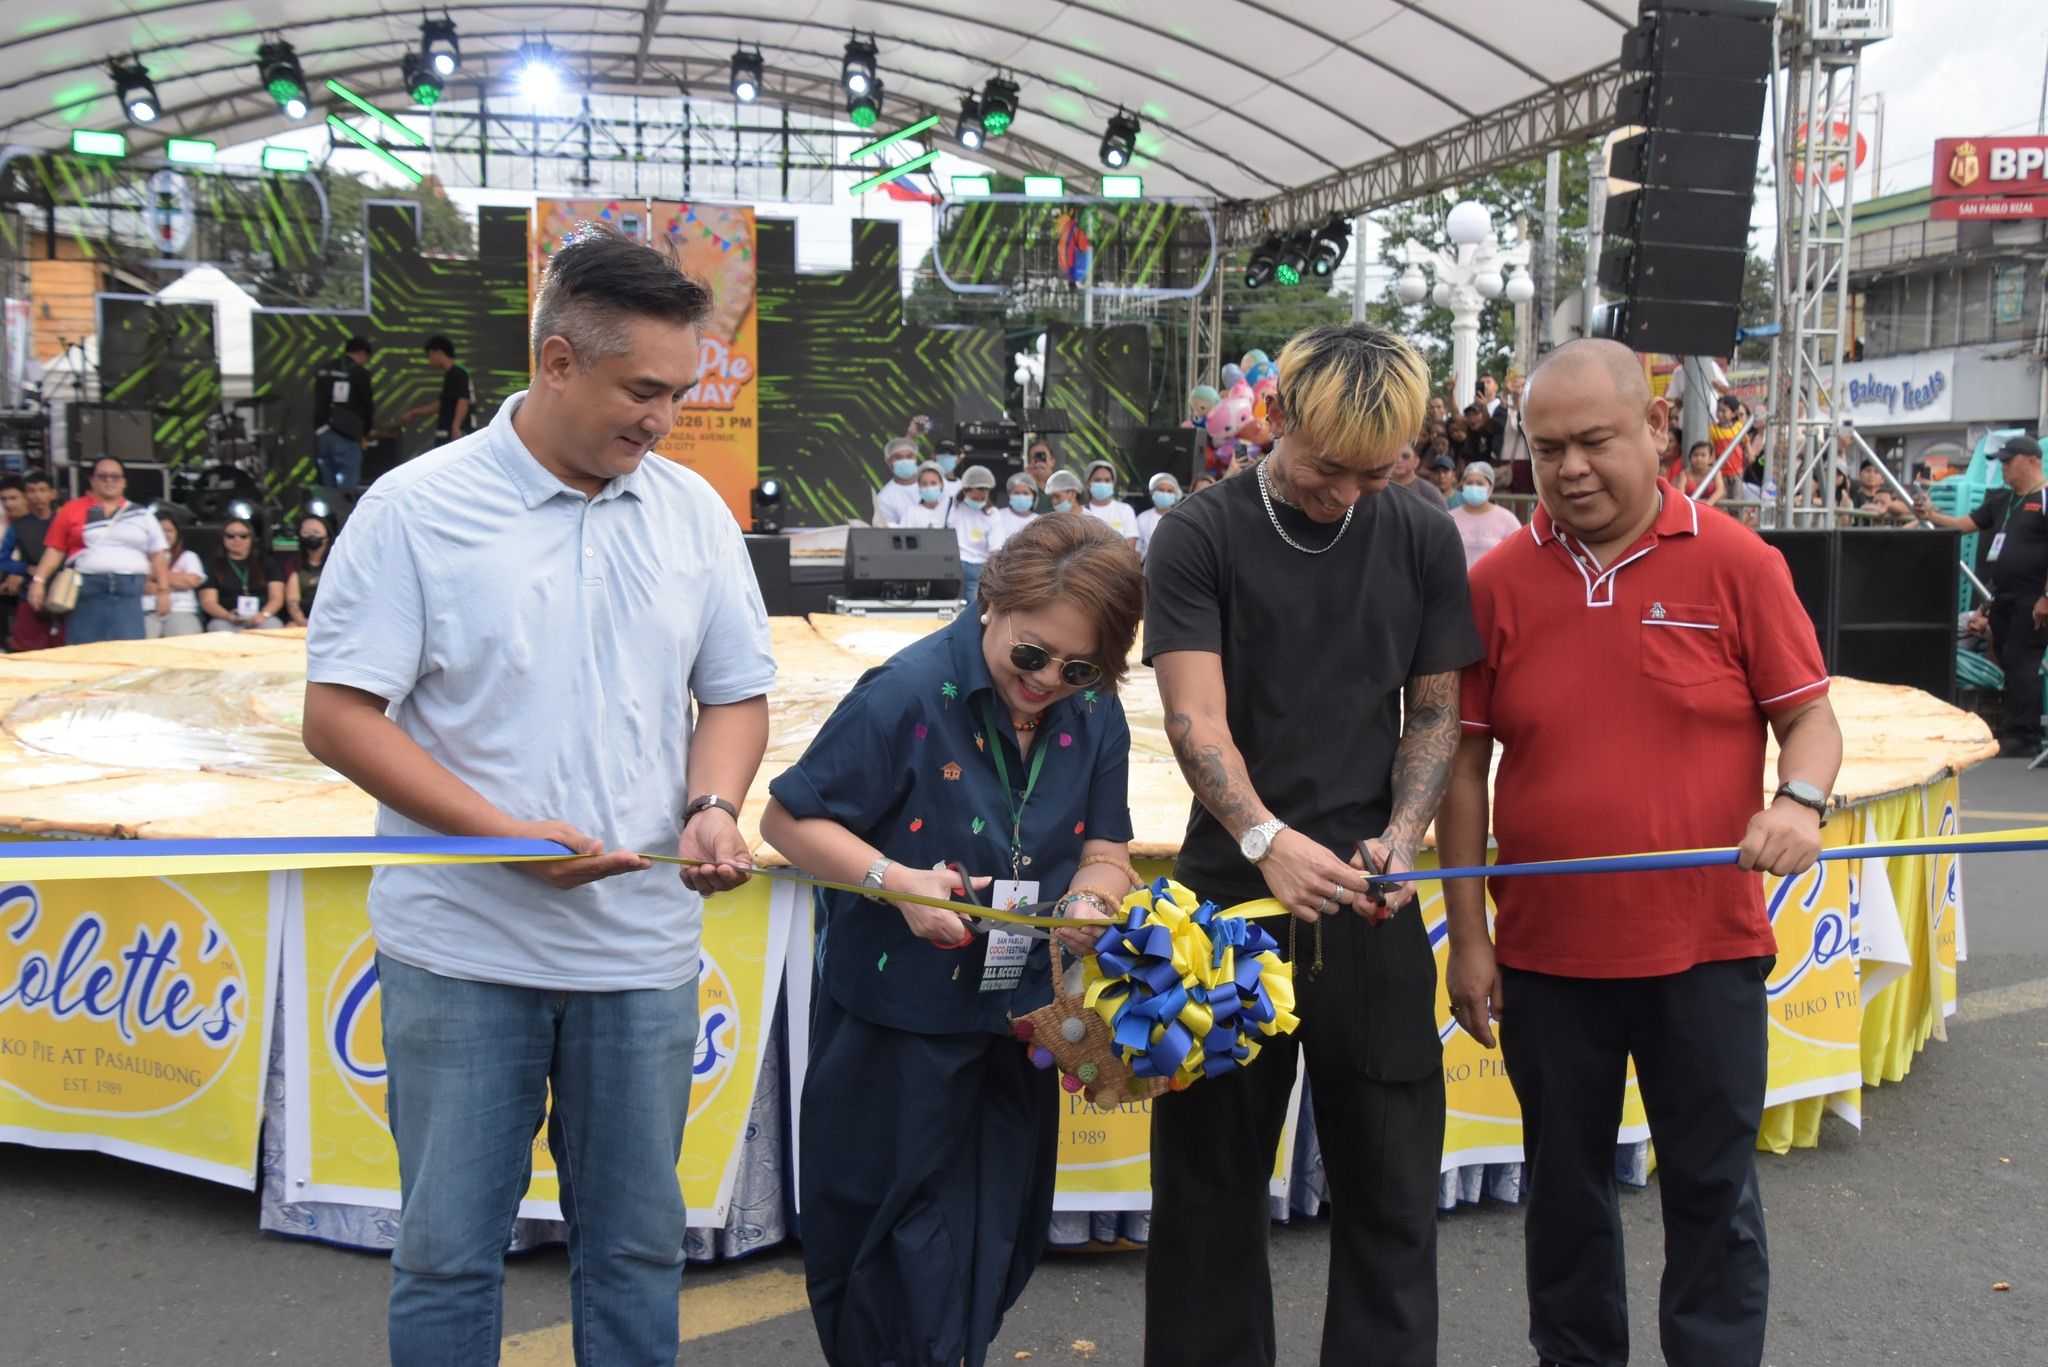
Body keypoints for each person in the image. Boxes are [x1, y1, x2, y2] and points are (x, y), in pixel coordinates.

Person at [301, 224, 776, 1367]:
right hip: (461, 952)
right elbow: (338, 716)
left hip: (638, 959)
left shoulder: (692, 514)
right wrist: (499, 837)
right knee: (449, 1253)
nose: (660, 419)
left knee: (634, 1250)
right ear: (557, 361)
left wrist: (712, 802)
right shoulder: (415, 509)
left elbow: (734, 695)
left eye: (678, 392)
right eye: (641, 389)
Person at [1441, 338, 1841, 1367]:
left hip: (1703, 948)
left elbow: (1808, 721)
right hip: (1545, 958)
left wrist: (1797, 801)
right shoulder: (1494, 584)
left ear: (1653, 431)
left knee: (1711, 1189)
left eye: (1592, 441)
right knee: (1563, 1193)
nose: (1568, 468)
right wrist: (1468, 939)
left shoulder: (1737, 562)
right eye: (1543, 447)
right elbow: (1459, 771)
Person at [1142, 322, 1478, 1367]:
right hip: (1227, 907)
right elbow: (1194, 719)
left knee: (1388, 1182)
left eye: (1374, 475)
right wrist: (1262, 837)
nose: (1346, 495)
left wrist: (1400, 835)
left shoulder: (1417, 528)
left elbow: (1434, 713)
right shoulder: (1198, 531)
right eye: (1329, 469)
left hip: (1370, 901)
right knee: (1205, 1191)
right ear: (1273, 419)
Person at [762, 514, 1143, 1367]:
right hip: (895, 1030)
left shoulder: (1096, 709)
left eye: (1078, 668)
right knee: (891, 1264)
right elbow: (787, 818)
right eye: (1032, 655)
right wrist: (896, 884)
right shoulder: (902, 692)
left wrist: (1091, 895)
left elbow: (1108, 849)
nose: (1048, 681)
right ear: (991, 602)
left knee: (994, 1250)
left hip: (1016, 1027)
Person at [1917, 434, 2048, 756]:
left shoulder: (2044, 498)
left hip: (2033, 596)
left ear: (2032, 460)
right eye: (2001, 461)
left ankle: (2025, 736)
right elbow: (1962, 524)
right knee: (2005, 655)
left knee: (2022, 660)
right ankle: (2017, 726)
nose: (2003, 467)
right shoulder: (2003, 500)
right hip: (2004, 596)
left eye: (2008, 460)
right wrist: (1930, 514)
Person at [27, 456, 168, 645]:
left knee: (128, 651)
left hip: (129, 590)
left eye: (115, 476)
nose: (109, 480)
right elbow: (55, 549)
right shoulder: (75, 509)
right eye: (103, 476)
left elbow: (158, 553)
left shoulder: (141, 514)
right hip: (87, 588)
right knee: (84, 650)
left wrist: (163, 591)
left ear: (124, 481)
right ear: (92, 480)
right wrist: (38, 580)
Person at [198, 516, 285, 632]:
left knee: (273, 627)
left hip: (261, 616)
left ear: (251, 538)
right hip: (225, 618)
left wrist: (264, 614)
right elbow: (208, 601)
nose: (237, 540)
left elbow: (277, 597)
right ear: (222, 538)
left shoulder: (267, 562)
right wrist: (228, 616)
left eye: (243, 536)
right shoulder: (212, 565)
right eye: (230, 536)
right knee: (221, 631)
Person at [7, 469, 60, 651]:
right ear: (26, 495)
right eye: (31, 490)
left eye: (42, 490)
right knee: (26, 652)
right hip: (29, 596)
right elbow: (2, 559)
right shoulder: (19, 526)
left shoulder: (64, 521)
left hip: (64, 595)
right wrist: (26, 569)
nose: (37, 496)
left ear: (52, 493)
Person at [313, 335, 375, 488]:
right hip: (347, 434)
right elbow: (367, 405)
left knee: (326, 482)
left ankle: (330, 510)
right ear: (362, 353)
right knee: (349, 483)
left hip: (322, 433)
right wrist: (365, 431)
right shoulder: (360, 373)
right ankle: (345, 511)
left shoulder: (324, 369)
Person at [398, 335, 472, 447]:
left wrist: (456, 426)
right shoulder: (452, 374)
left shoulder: (457, 373)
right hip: (446, 434)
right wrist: (414, 412)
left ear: (439, 353)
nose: (429, 361)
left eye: (430, 355)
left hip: (452, 435)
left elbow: (463, 400)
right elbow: (442, 405)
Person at [1450, 460, 1522, 571]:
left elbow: (1518, 555)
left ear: (1491, 487)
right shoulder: (1450, 518)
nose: (1474, 487)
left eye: (1480, 483)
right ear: (1462, 485)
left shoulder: (1507, 519)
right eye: (1469, 483)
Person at [144, 511, 206, 638]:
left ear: (177, 534)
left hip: (182, 611)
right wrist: (175, 582)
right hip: (146, 612)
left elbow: (191, 581)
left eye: (169, 530)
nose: (164, 535)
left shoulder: (188, 556)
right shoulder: (139, 558)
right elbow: (139, 585)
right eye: (160, 530)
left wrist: (154, 573)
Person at [953, 465, 998, 602]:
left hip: (978, 568)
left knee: (975, 607)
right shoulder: (953, 507)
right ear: (965, 491)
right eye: (974, 498)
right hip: (954, 564)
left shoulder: (993, 514)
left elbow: (995, 549)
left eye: (981, 499)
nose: (978, 502)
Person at [284, 512, 334, 627]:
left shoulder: (336, 562)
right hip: (303, 617)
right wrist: (301, 620)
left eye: (316, 532)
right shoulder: (294, 564)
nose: (311, 536)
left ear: (326, 537)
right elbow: (292, 601)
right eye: (306, 533)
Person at [1081, 459, 1140, 549]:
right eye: (1097, 480)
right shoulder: (1081, 512)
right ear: (1088, 483)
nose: (1102, 483)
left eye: (1107, 480)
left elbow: (1130, 545)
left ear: (1113, 483)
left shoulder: (1125, 510)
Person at [871, 437, 923, 527]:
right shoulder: (884, 498)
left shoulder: (934, 481)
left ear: (915, 457)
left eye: (909, 456)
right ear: (888, 462)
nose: (905, 461)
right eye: (898, 457)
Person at [0, 475, 28, 648]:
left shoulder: (38, 522)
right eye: (4, 499)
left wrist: (19, 573)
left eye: (13, 498)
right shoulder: (5, 525)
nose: (9, 504)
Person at [1387, 438, 1448, 510]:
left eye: (1405, 456)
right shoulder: (1379, 487)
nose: (1399, 460)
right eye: (1394, 456)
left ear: (1416, 461)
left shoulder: (1429, 492)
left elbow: (1446, 518)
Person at [896, 459, 956, 530]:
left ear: (942, 484)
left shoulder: (949, 512)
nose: (929, 487)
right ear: (919, 486)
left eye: (933, 483)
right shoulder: (911, 513)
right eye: (924, 484)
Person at [1136, 471, 1180, 560]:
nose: (1165, 494)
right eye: (1161, 490)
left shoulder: (1180, 519)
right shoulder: (1142, 518)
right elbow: (1137, 550)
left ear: (1175, 495)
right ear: (1153, 493)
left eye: (1169, 491)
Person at [991, 473, 1039, 553]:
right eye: (1016, 493)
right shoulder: (998, 515)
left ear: (1033, 495)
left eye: (1025, 493)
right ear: (1009, 494)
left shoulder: (1038, 520)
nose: (1021, 496)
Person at [1025, 441, 1057, 508]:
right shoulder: (1022, 486)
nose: (1039, 461)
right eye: (1035, 457)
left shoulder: (1061, 485)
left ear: (1052, 462)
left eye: (1043, 457)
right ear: (1029, 462)